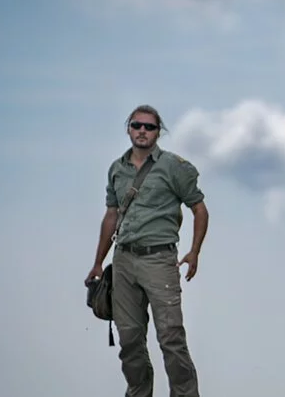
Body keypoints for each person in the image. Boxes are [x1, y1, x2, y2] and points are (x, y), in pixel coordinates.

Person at [85, 104, 208, 397]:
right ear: (129, 128)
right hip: (124, 259)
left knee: (171, 337)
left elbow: (199, 210)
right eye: (137, 125)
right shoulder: (117, 168)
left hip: (160, 259)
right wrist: (98, 263)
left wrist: (194, 252)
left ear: (158, 132)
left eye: (149, 127)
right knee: (129, 339)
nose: (142, 131)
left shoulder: (175, 167)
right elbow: (111, 216)